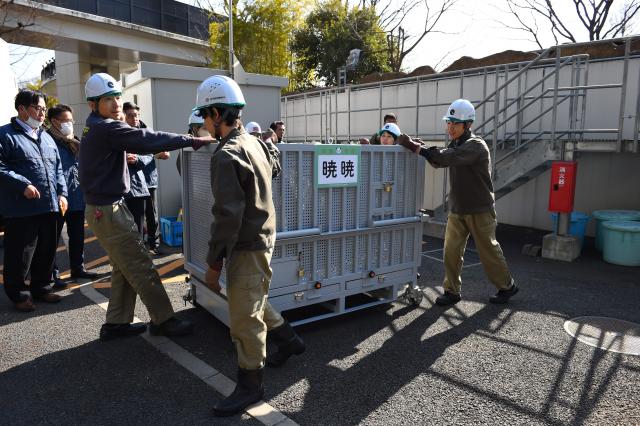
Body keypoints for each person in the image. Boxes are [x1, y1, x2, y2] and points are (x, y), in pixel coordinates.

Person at [197, 75, 305, 417]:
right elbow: (273, 168)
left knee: (244, 319)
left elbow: (226, 217)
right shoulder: (255, 143)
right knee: (252, 299)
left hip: (246, 243)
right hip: (264, 237)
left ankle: (250, 386)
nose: (203, 123)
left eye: (204, 115)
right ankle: (289, 340)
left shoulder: (226, 154)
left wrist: (213, 266)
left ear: (216, 113)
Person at [79, 73, 213, 340]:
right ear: (93, 104)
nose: (117, 104)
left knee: (123, 265)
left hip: (103, 208)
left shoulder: (94, 126)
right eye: (108, 99)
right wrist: (192, 140)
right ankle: (164, 320)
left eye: (118, 98)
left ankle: (116, 323)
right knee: (141, 264)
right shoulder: (107, 128)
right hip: (107, 210)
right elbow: (147, 138)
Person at [398, 99, 518, 306]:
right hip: (458, 208)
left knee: (489, 252)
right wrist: (421, 148)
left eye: (455, 123)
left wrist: (418, 148)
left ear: (468, 125)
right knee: (451, 252)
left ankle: (507, 286)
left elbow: (446, 158)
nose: (450, 127)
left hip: (480, 209)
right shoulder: (456, 144)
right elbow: (439, 160)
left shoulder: (476, 146)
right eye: (449, 122)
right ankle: (452, 291)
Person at [0, 90, 67, 312]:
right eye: (38, 108)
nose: (42, 113)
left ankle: (42, 288)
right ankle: (18, 294)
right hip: (21, 209)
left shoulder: (46, 136)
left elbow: (58, 168)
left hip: (50, 205)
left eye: (44, 109)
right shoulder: (6, 135)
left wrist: (62, 193)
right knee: (20, 254)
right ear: (21, 109)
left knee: (47, 251)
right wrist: (22, 184)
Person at [47, 104, 98, 286]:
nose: (70, 123)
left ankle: (78, 268)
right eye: (66, 120)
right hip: (57, 198)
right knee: (52, 239)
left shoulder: (74, 141)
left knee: (77, 236)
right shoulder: (47, 141)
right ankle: (52, 274)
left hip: (76, 196)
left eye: (71, 120)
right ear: (54, 121)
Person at [123, 102, 168, 255]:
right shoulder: (122, 133)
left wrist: (163, 153)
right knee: (136, 216)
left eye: (136, 115)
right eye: (130, 115)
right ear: (124, 116)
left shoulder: (147, 132)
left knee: (152, 214)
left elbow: (161, 150)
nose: (134, 118)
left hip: (149, 178)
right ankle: (138, 246)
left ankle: (154, 244)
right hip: (133, 182)